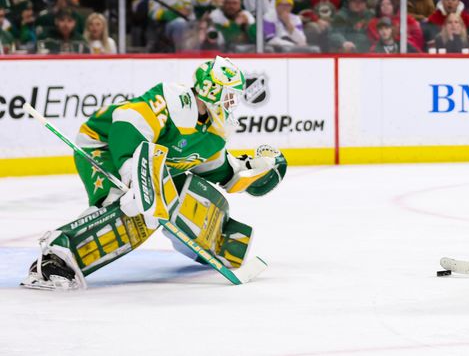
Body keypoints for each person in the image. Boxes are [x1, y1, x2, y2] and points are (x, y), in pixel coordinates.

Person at [21, 56, 287, 290]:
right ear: (212, 91)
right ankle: (53, 258)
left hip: (147, 164)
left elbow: (219, 170)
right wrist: (131, 174)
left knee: (182, 195)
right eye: (229, 96)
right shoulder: (171, 100)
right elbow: (126, 122)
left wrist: (253, 174)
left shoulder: (213, 135)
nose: (232, 104)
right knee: (125, 206)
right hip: (103, 145)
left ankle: (206, 243)